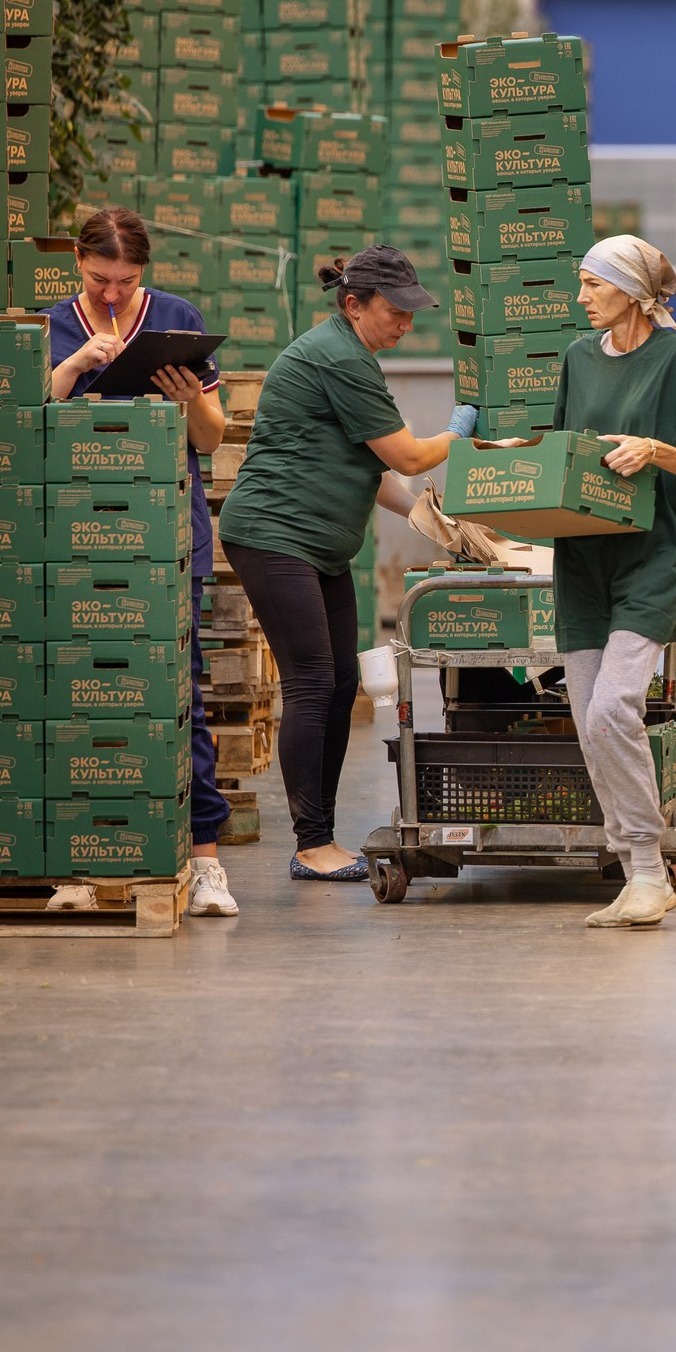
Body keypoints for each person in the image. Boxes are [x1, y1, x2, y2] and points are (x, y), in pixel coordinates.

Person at [215, 246, 478, 881]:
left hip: (319, 544)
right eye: (397, 312)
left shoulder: (350, 353)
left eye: (414, 315)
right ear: (355, 304)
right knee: (311, 684)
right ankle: (312, 845)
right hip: (277, 535)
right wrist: (460, 432)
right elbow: (411, 455)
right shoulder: (337, 356)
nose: (406, 325)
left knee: (338, 684)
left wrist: (429, 522)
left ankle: (320, 836)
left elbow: (373, 468)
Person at [46, 206, 238, 918]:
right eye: (99, 279)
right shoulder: (53, 325)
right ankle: (80, 861)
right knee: (79, 697)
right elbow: (31, 422)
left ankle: (206, 857)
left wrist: (190, 401)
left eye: (126, 282)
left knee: (179, 691)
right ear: (77, 263)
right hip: (76, 539)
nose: (112, 296)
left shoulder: (177, 320)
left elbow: (212, 440)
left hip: (165, 535)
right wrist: (72, 366)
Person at [552, 235, 676, 929]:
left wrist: (657, 451)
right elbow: (566, 452)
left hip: (653, 559)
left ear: (629, 291)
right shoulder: (576, 358)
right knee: (587, 723)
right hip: (582, 561)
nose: (581, 296)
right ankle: (638, 877)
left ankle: (651, 868)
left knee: (612, 710)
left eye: (592, 284)